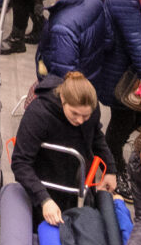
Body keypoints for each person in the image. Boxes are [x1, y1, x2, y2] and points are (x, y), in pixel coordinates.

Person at [13, 71, 113, 220]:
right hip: (44, 181)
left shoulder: (92, 110)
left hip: (76, 180)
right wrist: (44, 199)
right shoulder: (38, 113)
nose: (80, 120)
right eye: (74, 114)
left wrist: (111, 170)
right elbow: (20, 162)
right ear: (62, 99)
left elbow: (96, 138)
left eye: (85, 116)